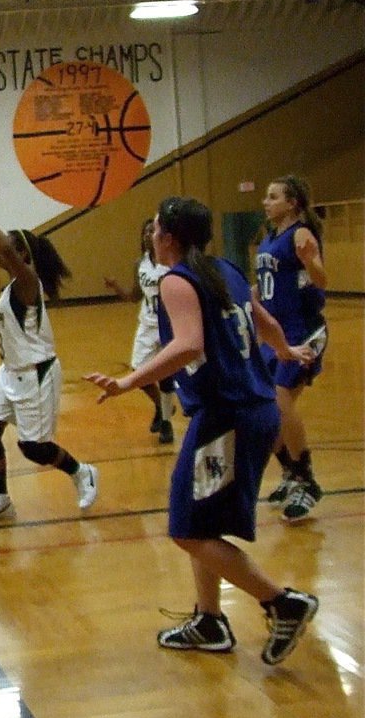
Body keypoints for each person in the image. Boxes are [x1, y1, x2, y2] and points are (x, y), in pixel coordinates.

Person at [86, 196, 318, 665]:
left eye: (154, 229)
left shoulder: (177, 279)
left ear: (167, 237)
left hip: (225, 416)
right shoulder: (225, 269)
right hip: (255, 408)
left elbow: (188, 345)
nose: (151, 236)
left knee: (186, 530)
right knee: (201, 520)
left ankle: (283, 603)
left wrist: (131, 380)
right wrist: (286, 350)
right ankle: (210, 620)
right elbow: (264, 320)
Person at [0, 181, 99, 522]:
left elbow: (5, 248)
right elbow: (7, 250)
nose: (1, 251)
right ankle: (0, 500)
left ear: (22, 255)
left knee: (34, 449)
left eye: (10, 247)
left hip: (36, 373)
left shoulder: (27, 282)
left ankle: (82, 472)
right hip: (9, 374)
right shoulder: (11, 288)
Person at [255, 175, 328, 523]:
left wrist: (311, 261)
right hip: (276, 332)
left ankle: (307, 481)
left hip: (302, 330)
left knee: (282, 401)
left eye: (273, 197)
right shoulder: (270, 237)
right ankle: (289, 473)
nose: (266, 202)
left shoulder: (300, 234)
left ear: (292, 203)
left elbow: (321, 279)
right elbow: (268, 285)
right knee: (264, 410)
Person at [103, 218, 177, 444]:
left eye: (152, 230)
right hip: (147, 324)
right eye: (144, 231)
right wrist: (116, 287)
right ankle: (162, 406)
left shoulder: (171, 262)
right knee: (138, 371)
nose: (147, 235)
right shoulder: (140, 264)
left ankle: (166, 423)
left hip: (168, 324)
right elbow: (135, 296)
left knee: (164, 373)